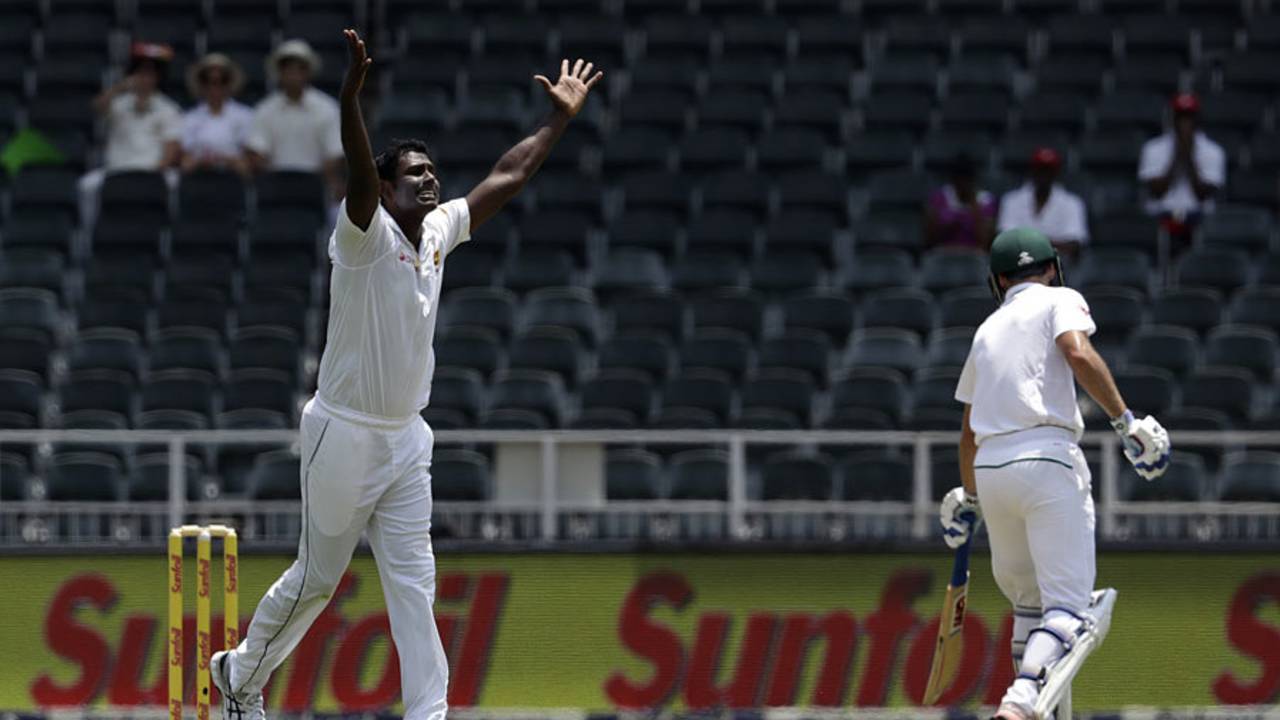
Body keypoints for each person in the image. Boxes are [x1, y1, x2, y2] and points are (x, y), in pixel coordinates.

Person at [209, 30, 603, 720]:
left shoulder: (438, 232)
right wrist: (350, 99)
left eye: (431, 170)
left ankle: (430, 712)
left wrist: (557, 119)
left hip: (405, 439)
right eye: (414, 173)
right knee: (317, 581)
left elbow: (505, 179)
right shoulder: (363, 235)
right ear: (386, 191)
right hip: (344, 433)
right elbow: (360, 173)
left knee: (415, 584)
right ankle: (239, 675)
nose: (429, 179)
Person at [940, 228, 1171, 720]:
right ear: (1050, 268)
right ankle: (1021, 699)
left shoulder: (986, 330)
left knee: (1030, 607)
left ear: (999, 280)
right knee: (1071, 610)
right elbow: (1077, 351)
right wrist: (1126, 422)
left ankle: (1025, 692)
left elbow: (967, 434)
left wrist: (972, 500)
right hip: (1046, 459)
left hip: (992, 470)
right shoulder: (1060, 298)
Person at [79, 41, 182, 227]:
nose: (145, 78)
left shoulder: (170, 109)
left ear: (158, 77)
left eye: (150, 74)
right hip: (117, 170)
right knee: (86, 185)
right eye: (141, 72)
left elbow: (171, 149)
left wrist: (154, 174)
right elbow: (97, 106)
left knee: (177, 183)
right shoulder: (119, 103)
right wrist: (120, 88)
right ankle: (90, 231)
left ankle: (168, 232)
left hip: (153, 171)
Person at [247, 39, 344, 199]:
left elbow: (334, 156)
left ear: (308, 72)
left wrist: (309, 184)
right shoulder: (264, 109)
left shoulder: (327, 108)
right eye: (288, 68)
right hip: (275, 189)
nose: (293, 74)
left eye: (299, 68)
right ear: (280, 72)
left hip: (317, 189)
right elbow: (257, 153)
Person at [1138, 92, 1226, 245]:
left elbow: (1202, 195)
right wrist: (1177, 155)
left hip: (1198, 217)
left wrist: (1189, 157)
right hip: (1161, 217)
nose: (1185, 123)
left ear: (1198, 120)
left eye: (1189, 117)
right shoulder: (1153, 148)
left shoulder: (1213, 151)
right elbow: (1157, 192)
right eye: (1180, 117)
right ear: (1172, 119)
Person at [997, 147, 1089, 262]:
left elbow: (1073, 245)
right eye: (1040, 169)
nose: (1044, 174)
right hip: (1018, 269)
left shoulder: (1072, 203)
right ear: (1032, 171)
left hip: (1058, 269)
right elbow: (1006, 243)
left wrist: (1028, 245)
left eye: (1048, 170)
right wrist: (1052, 244)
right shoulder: (1011, 200)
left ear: (1056, 173)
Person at [180, 52, 254, 177]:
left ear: (229, 84)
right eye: (209, 81)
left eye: (222, 81)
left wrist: (226, 160)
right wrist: (202, 161)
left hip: (233, 179)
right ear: (202, 85)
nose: (215, 87)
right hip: (199, 178)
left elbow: (248, 165)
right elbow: (185, 164)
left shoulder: (245, 116)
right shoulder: (189, 118)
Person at [925, 153, 997, 251]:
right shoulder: (939, 198)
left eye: (966, 180)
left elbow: (986, 243)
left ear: (973, 180)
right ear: (953, 180)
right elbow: (929, 241)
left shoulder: (986, 201)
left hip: (974, 257)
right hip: (944, 255)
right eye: (959, 179)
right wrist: (948, 225)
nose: (963, 184)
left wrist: (974, 209)